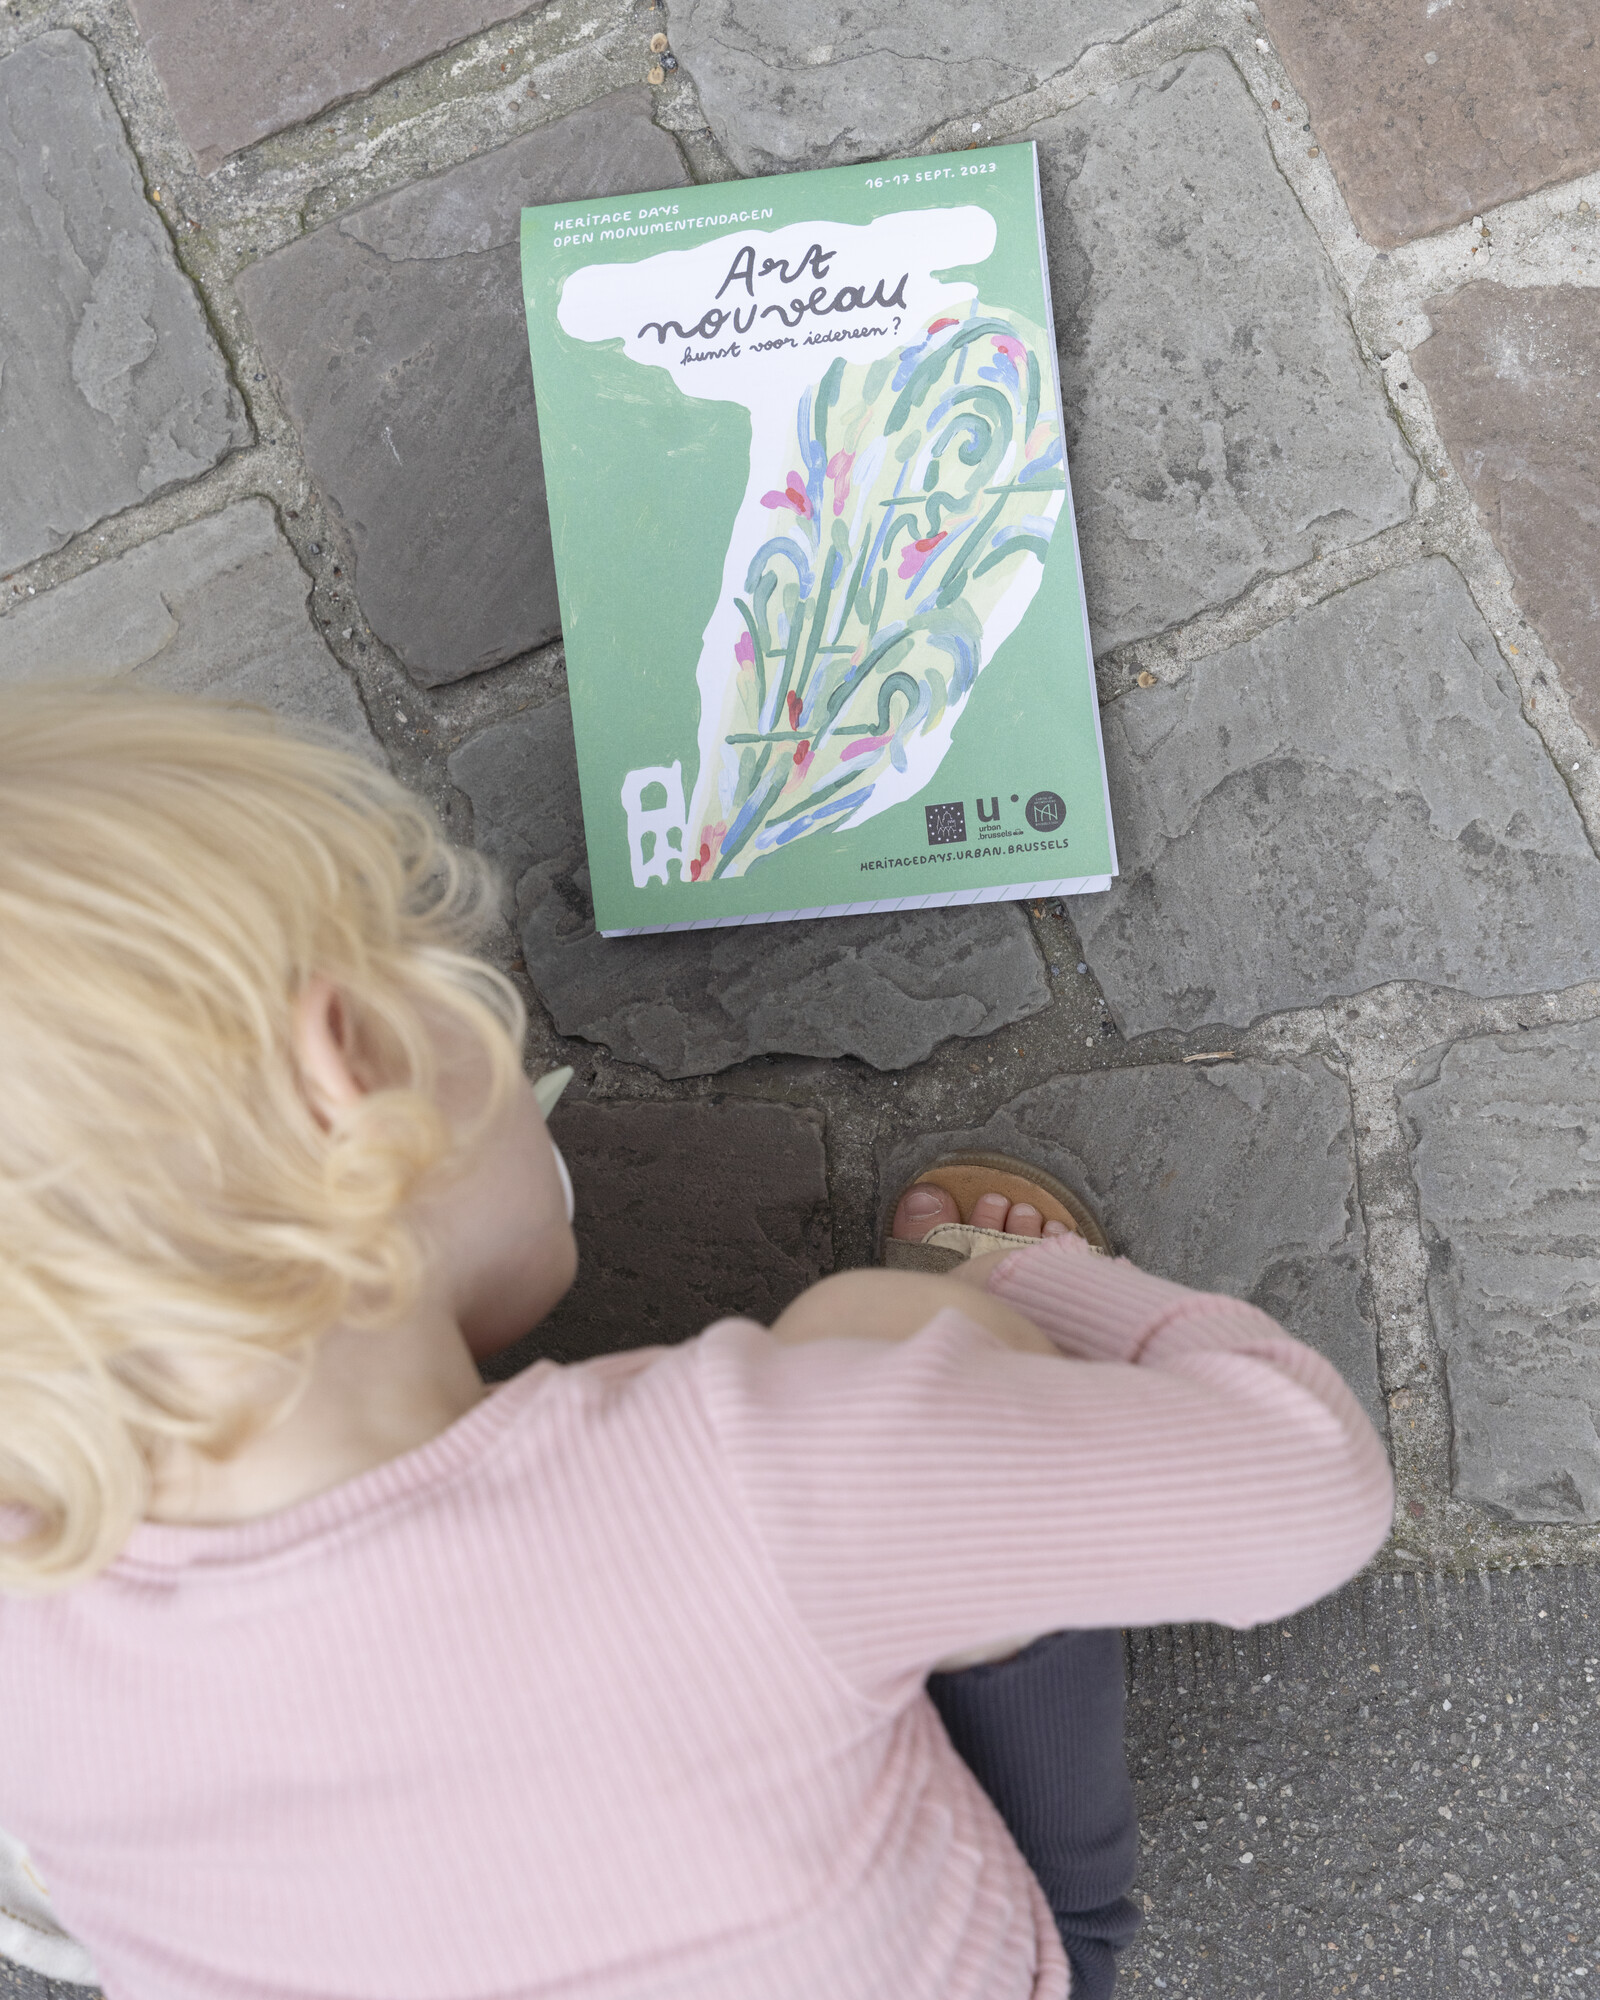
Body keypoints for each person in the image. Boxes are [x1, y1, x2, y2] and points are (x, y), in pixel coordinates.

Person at [0, 684, 1394, 2000]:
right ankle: (1072, 1904)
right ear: (347, 1070)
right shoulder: (763, 1480)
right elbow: (1314, 1491)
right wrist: (1044, 1286)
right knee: (883, 1323)